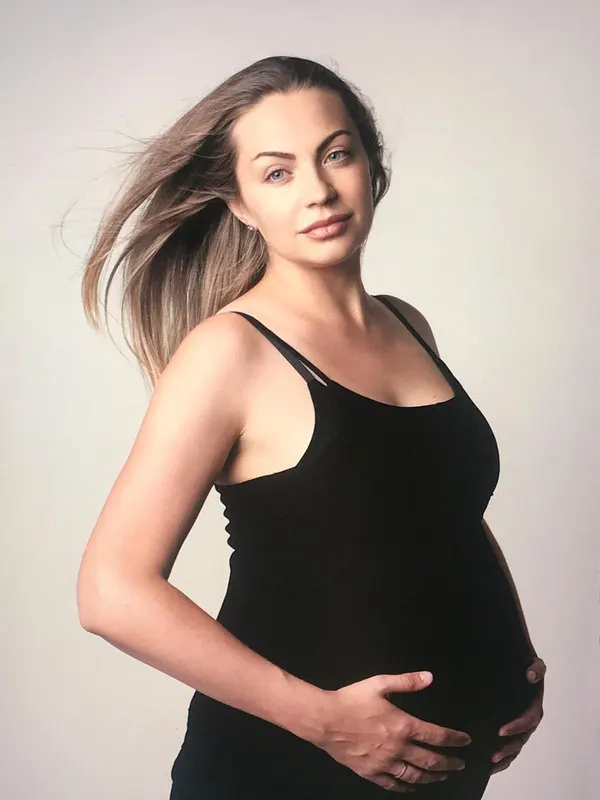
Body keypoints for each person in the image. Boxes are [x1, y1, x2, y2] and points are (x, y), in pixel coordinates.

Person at [76, 56, 546, 799]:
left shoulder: (406, 325)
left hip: (442, 776)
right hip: (283, 772)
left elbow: (446, 512)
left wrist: (516, 658)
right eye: (277, 172)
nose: (319, 191)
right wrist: (325, 721)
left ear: (370, 165)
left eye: (336, 154)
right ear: (239, 202)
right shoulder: (230, 351)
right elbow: (111, 590)